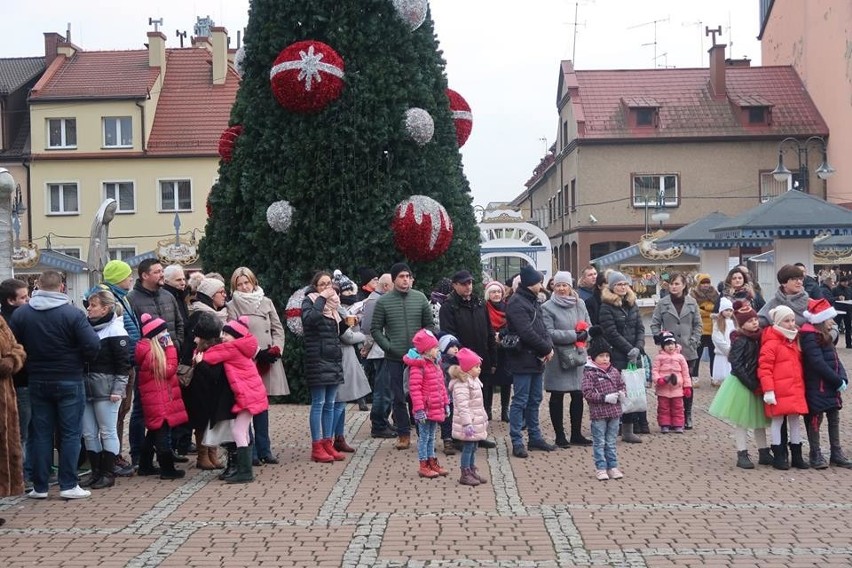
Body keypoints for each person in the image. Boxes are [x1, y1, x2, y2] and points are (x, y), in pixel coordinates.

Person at [11, 270, 100, 500]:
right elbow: (92, 345)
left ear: (38, 286)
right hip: (69, 377)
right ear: (62, 287)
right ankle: (68, 484)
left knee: (40, 434)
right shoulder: (72, 314)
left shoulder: (22, 315)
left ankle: (39, 486)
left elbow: (14, 346)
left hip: (37, 378)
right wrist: (80, 359)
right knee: (70, 433)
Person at [227, 267, 288, 465]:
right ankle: (249, 450)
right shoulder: (232, 305)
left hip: (268, 360)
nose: (245, 287)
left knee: (262, 405)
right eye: (240, 284)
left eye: (247, 282)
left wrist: (276, 349)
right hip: (248, 362)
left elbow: (278, 329)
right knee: (247, 405)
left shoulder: (266, 301)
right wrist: (255, 352)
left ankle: (265, 449)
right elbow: (233, 335)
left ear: (254, 282)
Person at [127, 259, 185, 469]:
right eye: (157, 271)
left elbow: (179, 323)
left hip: (170, 360)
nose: (162, 274)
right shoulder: (132, 299)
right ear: (144, 275)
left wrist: (176, 345)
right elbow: (133, 331)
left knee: (167, 408)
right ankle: (138, 454)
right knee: (142, 409)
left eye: (162, 271)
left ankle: (165, 450)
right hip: (148, 364)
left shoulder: (168, 296)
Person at [371, 263, 434, 451]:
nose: (405, 279)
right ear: (393, 279)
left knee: (419, 397)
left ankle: (423, 433)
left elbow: (429, 325)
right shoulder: (383, 302)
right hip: (395, 357)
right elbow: (375, 328)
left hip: (418, 358)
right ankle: (403, 434)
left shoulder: (420, 298)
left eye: (408, 276)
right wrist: (389, 346)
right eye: (401, 276)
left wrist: (423, 347)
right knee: (398, 397)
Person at [199, 316, 270, 483]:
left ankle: (245, 471)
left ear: (236, 336)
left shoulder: (232, 348)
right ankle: (245, 469)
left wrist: (200, 358)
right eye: (223, 333)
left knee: (238, 431)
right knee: (242, 431)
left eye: (227, 334)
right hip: (252, 395)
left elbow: (210, 356)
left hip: (247, 396)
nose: (223, 337)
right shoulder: (244, 346)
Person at [708, 300, 771, 469]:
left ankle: (764, 451)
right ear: (742, 324)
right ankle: (742, 452)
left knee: (760, 420)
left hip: (756, 383)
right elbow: (735, 362)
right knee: (742, 420)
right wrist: (750, 383)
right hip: (742, 384)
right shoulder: (741, 339)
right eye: (750, 321)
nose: (755, 322)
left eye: (755, 319)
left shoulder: (760, 338)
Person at [439, 269, 496, 448]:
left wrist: (492, 358)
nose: (468, 287)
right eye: (464, 284)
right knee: (461, 398)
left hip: (482, 359)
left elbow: (489, 331)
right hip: (462, 362)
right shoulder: (449, 306)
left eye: (470, 283)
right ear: (455, 285)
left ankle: (479, 434)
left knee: (481, 397)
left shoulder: (479, 303)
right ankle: (459, 436)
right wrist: (464, 357)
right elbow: (450, 338)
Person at [80, 290, 130, 490]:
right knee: (89, 432)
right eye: (89, 305)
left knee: (107, 431)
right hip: (86, 387)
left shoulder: (116, 330)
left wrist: (118, 389)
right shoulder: (86, 328)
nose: (89, 309)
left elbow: (123, 364)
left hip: (107, 388)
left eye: (93, 305)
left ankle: (108, 472)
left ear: (106, 308)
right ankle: (96, 471)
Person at [94, 260, 140, 477]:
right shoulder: (108, 298)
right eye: (127, 275)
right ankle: (111, 458)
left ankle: (113, 455)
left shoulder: (121, 296)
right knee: (114, 416)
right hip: (117, 365)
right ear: (117, 278)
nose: (131, 279)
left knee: (120, 413)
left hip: (126, 360)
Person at [505, 265, 556, 458]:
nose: (541, 285)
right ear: (529, 283)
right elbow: (526, 332)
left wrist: (548, 346)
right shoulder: (517, 302)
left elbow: (542, 327)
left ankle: (535, 438)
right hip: (522, 358)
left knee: (535, 399)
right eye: (538, 282)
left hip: (536, 358)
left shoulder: (533, 300)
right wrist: (546, 348)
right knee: (520, 401)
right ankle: (517, 441)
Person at [541, 271, 593, 447]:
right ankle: (560, 436)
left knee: (578, 395)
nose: (562, 289)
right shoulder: (547, 307)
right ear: (553, 287)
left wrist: (586, 334)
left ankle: (576, 434)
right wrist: (574, 335)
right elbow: (549, 333)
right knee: (557, 395)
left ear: (570, 287)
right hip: (558, 357)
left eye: (565, 285)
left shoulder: (580, 304)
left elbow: (588, 325)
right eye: (558, 285)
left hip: (577, 356)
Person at [799, 298, 852, 469]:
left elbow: (835, 359)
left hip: (830, 385)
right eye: (830, 318)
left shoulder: (826, 336)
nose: (833, 322)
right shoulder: (809, 336)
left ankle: (836, 452)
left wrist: (842, 377)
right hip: (818, 385)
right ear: (821, 319)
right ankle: (815, 453)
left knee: (834, 417)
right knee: (815, 419)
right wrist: (836, 380)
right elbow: (817, 363)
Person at [135, 314, 187, 480]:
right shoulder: (152, 354)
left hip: (157, 399)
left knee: (153, 432)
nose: (166, 334)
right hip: (158, 401)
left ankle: (145, 465)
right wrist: (171, 348)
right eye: (163, 331)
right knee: (162, 434)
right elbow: (169, 370)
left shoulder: (149, 350)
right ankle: (167, 468)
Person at [302, 271, 346, 463]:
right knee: (318, 403)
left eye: (329, 284)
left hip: (333, 358)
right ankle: (317, 445)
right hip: (317, 359)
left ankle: (328, 442)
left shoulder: (334, 307)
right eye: (322, 284)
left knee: (330, 403)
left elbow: (335, 332)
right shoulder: (310, 301)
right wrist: (321, 297)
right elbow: (310, 320)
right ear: (315, 286)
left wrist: (349, 323)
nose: (327, 287)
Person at [759, 305, 809, 470]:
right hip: (778, 390)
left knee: (795, 421)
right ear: (779, 322)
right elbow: (765, 368)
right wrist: (768, 390)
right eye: (787, 321)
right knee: (777, 421)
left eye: (793, 320)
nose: (791, 324)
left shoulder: (794, 340)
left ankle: (797, 455)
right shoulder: (771, 343)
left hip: (794, 389)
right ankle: (779, 455)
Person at [598, 270, 645, 442]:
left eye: (624, 284)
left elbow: (640, 328)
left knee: (631, 391)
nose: (622, 287)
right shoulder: (606, 306)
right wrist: (628, 349)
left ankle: (628, 430)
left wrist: (638, 347)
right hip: (617, 354)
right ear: (612, 287)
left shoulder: (632, 304)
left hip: (634, 354)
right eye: (618, 284)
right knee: (616, 392)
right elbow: (610, 332)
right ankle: (611, 428)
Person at [650, 272, 701, 429]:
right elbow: (654, 324)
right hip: (669, 351)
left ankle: (687, 415)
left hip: (687, 349)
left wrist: (693, 340)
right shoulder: (663, 303)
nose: (674, 286)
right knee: (670, 383)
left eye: (677, 283)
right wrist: (660, 339)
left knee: (686, 382)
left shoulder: (692, 303)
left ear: (684, 285)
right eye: (671, 284)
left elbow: (698, 325)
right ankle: (669, 417)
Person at [331, 271, 371, 453]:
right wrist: (363, 334)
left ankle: (338, 438)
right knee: (338, 402)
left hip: (343, 356)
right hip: (341, 357)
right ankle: (332, 439)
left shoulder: (339, 309)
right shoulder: (334, 310)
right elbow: (347, 337)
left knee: (341, 401)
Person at [581, 326, 626, 481]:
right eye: (601, 356)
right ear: (594, 357)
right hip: (599, 414)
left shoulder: (614, 371)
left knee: (611, 441)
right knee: (599, 442)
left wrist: (621, 394)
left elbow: (621, 384)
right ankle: (601, 467)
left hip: (614, 413)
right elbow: (587, 393)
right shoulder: (590, 373)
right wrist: (604, 397)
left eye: (607, 355)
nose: (605, 359)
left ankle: (613, 466)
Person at [405, 329, 450, 479]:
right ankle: (423, 464)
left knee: (432, 436)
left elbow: (442, 387)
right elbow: (415, 390)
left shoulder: (436, 365)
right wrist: (418, 409)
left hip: (436, 407)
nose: (438, 350)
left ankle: (432, 461)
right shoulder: (419, 367)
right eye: (435, 348)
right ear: (427, 350)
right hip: (425, 409)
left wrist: (445, 403)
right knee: (424, 437)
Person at [0, 278, 30, 490]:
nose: (28, 301)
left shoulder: (2, 322)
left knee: (11, 443)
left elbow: (17, 348)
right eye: (23, 297)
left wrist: (11, 361)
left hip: (7, 391)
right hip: (14, 387)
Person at [361, 273, 396, 439]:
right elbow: (368, 329)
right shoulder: (374, 301)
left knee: (387, 389)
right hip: (380, 351)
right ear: (386, 286)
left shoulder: (379, 300)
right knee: (382, 389)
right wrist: (366, 348)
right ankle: (379, 424)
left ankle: (383, 421)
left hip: (385, 350)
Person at [449, 348, 489, 486]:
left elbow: (478, 404)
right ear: (467, 368)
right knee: (468, 447)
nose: (479, 369)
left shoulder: (474, 381)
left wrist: (483, 417)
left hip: (475, 420)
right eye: (476, 367)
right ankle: (465, 473)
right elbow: (463, 406)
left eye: (479, 366)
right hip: (468, 423)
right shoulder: (462, 385)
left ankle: (471, 469)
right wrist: (466, 424)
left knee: (474, 446)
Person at [484, 281, 512, 423]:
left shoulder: (508, 308)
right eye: (493, 292)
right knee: (489, 380)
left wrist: (501, 334)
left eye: (498, 292)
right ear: (488, 294)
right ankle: (487, 410)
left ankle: (504, 410)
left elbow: (512, 324)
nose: (496, 294)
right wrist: (491, 335)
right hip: (489, 349)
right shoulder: (483, 308)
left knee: (506, 381)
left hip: (505, 348)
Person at [652, 331, 691, 433]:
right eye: (667, 344)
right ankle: (665, 424)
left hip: (677, 388)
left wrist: (687, 386)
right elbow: (655, 371)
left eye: (672, 344)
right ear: (663, 346)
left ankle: (678, 424)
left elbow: (685, 373)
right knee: (663, 408)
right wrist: (658, 380)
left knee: (678, 407)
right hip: (663, 388)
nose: (670, 347)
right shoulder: (659, 358)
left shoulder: (680, 358)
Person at [691, 273, 719, 379]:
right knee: (697, 354)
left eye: (707, 282)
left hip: (713, 329)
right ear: (699, 284)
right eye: (703, 283)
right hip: (700, 329)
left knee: (714, 354)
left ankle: (714, 376)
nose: (706, 285)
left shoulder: (715, 293)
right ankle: (694, 377)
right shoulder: (693, 294)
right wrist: (710, 312)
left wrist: (704, 308)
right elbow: (695, 310)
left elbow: (717, 308)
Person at [438, 334, 461, 456]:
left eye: (457, 346)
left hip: (456, 396)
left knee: (455, 418)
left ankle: (456, 438)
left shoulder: (459, 361)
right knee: (447, 419)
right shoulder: (442, 362)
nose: (455, 348)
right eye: (451, 346)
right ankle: (447, 440)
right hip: (445, 397)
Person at [710, 297, 735, 387]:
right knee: (723, 374)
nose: (729, 312)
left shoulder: (734, 322)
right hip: (723, 352)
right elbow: (717, 338)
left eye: (730, 310)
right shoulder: (718, 323)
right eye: (726, 310)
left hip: (732, 351)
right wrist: (727, 349)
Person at [832, 275, 852, 348]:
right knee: (835, 327)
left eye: (847, 282)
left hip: (848, 310)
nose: (846, 283)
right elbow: (831, 298)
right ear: (840, 282)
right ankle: (833, 343)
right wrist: (838, 298)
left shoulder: (849, 289)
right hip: (839, 310)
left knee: (848, 327)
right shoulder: (835, 289)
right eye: (844, 282)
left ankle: (849, 344)